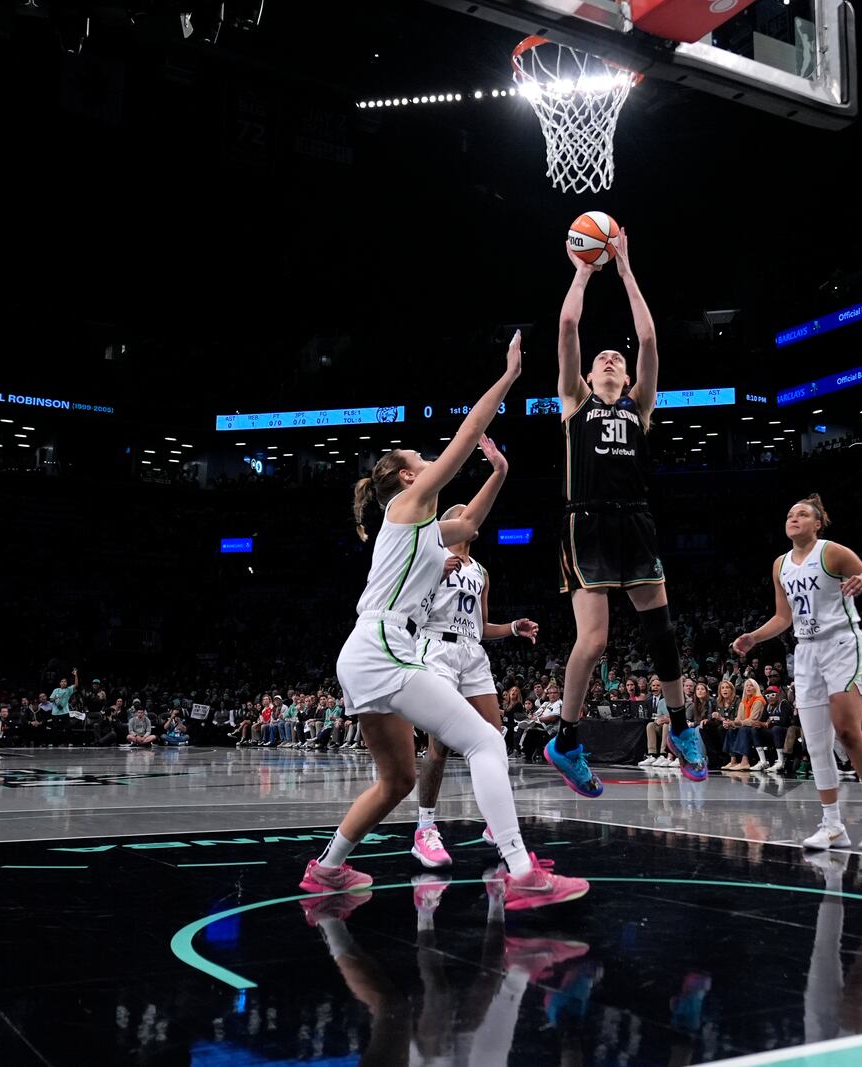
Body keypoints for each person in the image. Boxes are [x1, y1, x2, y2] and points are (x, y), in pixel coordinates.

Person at [300, 333, 587, 912]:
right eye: (420, 463)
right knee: (485, 742)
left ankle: (326, 870)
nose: (429, 465)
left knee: (397, 781)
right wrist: (506, 379)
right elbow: (458, 446)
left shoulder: (423, 528)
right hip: (385, 645)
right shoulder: (405, 508)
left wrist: (500, 469)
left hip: (364, 650)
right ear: (407, 479)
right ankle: (521, 871)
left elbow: (472, 521)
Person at [548, 230, 705, 795]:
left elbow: (648, 336)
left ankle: (683, 726)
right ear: (589, 377)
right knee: (593, 642)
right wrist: (586, 269)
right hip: (586, 520)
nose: (612, 358)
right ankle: (566, 738)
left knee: (660, 627)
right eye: (602, 359)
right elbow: (568, 328)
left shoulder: (641, 407)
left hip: (636, 518)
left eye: (617, 358)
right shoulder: (575, 403)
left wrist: (627, 268)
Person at [732, 495, 862, 851]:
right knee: (815, 742)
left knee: (847, 731)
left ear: (817, 523)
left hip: (842, 644)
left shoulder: (832, 552)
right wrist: (754, 637)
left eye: (803, 514)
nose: (794, 518)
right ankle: (832, 824)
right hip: (806, 651)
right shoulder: (780, 564)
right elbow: (784, 617)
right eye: (790, 513)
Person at [409, 449, 540, 869]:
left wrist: (512, 629)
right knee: (441, 744)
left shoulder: (481, 570)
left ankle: (492, 822)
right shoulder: (430, 557)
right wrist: (434, 577)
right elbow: (410, 609)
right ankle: (425, 827)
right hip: (436, 649)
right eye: (466, 512)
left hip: (472, 651)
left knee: (495, 739)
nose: (474, 517)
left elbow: (482, 626)